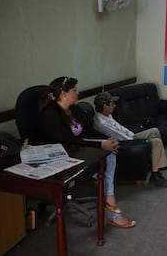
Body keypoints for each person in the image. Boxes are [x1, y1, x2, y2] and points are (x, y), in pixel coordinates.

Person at [38, 76, 136, 228]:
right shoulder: (50, 115)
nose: (78, 93)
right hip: (61, 155)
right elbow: (68, 142)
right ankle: (112, 210)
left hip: (79, 149)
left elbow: (89, 132)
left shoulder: (74, 110)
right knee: (107, 158)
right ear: (64, 94)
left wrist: (107, 140)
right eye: (74, 90)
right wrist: (101, 145)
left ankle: (108, 198)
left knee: (109, 154)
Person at [92, 92, 167, 188]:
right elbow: (118, 136)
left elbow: (120, 128)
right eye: (112, 104)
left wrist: (132, 135)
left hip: (129, 137)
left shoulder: (107, 115)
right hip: (125, 144)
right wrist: (135, 140)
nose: (115, 105)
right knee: (156, 142)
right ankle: (155, 175)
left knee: (155, 131)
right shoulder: (101, 123)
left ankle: (155, 166)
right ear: (105, 106)